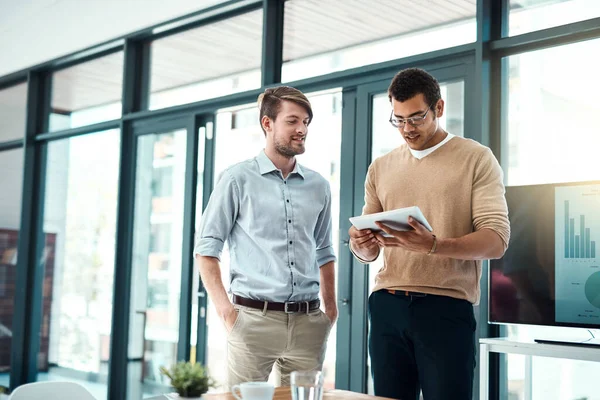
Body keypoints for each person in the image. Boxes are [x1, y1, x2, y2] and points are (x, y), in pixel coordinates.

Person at [348, 68, 510, 400]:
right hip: (386, 306)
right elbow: (368, 253)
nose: (407, 128)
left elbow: (496, 240)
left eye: (416, 118)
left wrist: (433, 245)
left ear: (438, 108)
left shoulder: (476, 158)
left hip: (445, 309)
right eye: (398, 119)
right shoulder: (381, 167)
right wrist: (360, 244)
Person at [194, 86, 337, 388]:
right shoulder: (236, 179)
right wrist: (227, 314)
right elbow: (207, 250)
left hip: (308, 322)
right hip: (251, 323)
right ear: (267, 123)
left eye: (306, 122)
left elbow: (324, 250)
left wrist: (330, 311)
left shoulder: (319, 186)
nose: (302, 129)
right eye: (293, 121)